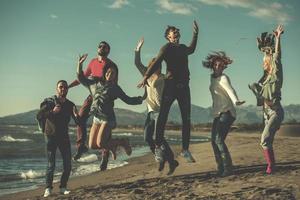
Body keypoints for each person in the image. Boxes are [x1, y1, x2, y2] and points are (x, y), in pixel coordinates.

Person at [138, 21, 199, 164]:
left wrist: (196, 34)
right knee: (163, 115)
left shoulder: (183, 48)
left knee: (186, 119)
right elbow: (156, 62)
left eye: (177, 31)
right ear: (168, 37)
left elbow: (192, 49)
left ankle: (185, 150)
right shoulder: (166, 48)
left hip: (184, 87)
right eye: (173, 31)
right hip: (170, 86)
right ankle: (158, 146)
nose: (176, 32)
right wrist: (146, 77)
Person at [77, 54, 143, 171]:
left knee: (101, 142)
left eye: (113, 73)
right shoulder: (94, 84)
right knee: (92, 145)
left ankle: (122, 141)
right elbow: (81, 78)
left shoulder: (115, 88)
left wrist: (141, 99)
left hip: (107, 119)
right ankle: (117, 144)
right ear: (104, 72)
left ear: (115, 76)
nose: (110, 74)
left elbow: (128, 99)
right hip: (96, 118)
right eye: (108, 72)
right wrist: (80, 64)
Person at [134, 37, 178, 175]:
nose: (157, 67)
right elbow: (137, 63)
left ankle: (165, 160)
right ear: (151, 67)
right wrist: (138, 49)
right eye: (154, 65)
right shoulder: (146, 76)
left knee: (157, 137)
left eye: (159, 65)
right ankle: (165, 158)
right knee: (147, 137)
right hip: (150, 111)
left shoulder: (165, 78)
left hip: (161, 111)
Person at [68, 41, 118, 161]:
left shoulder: (112, 65)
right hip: (92, 95)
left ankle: (105, 155)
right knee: (80, 118)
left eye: (104, 47)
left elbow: (114, 84)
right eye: (100, 46)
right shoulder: (93, 62)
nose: (101, 48)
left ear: (108, 51)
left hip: (105, 97)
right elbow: (82, 77)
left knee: (104, 126)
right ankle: (81, 147)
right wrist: (69, 86)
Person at [249, 25, 284, 174]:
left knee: (264, 139)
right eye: (264, 58)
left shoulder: (276, 75)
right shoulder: (263, 79)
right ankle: (272, 164)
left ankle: (271, 166)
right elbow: (260, 102)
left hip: (275, 112)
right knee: (267, 141)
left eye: (266, 58)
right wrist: (256, 92)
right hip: (266, 113)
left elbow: (276, 55)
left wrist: (277, 38)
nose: (265, 60)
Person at [202, 51, 245, 176]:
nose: (218, 67)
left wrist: (236, 100)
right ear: (212, 65)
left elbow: (230, 90)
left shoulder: (224, 78)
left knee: (219, 139)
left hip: (227, 112)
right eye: (216, 65)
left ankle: (228, 168)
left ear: (223, 67)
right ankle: (220, 167)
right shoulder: (212, 78)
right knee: (213, 141)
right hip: (218, 113)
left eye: (220, 65)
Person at [36, 80, 79, 197]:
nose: (63, 89)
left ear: (67, 89)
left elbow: (78, 122)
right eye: (61, 87)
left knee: (67, 164)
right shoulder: (49, 102)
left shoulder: (70, 105)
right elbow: (39, 115)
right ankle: (48, 188)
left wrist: (76, 115)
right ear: (57, 89)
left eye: (65, 87)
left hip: (63, 136)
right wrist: (52, 112)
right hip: (50, 136)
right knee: (51, 164)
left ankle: (63, 187)